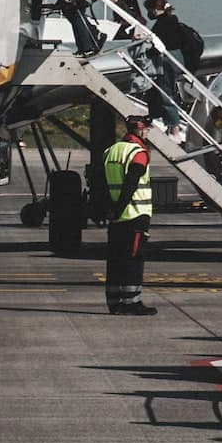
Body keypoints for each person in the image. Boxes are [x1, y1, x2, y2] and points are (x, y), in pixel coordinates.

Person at [102, 115, 156, 315]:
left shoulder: (111, 150)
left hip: (116, 217)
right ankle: (131, 302)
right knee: (133, 259)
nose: (148, 132)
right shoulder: (138, 152)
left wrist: (110, 209)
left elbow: (102, 184)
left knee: (115, 259)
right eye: (147, 129)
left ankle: (114, 301)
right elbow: (131, 183)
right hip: (135, 213)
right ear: (140, 130)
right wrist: (120, 207)